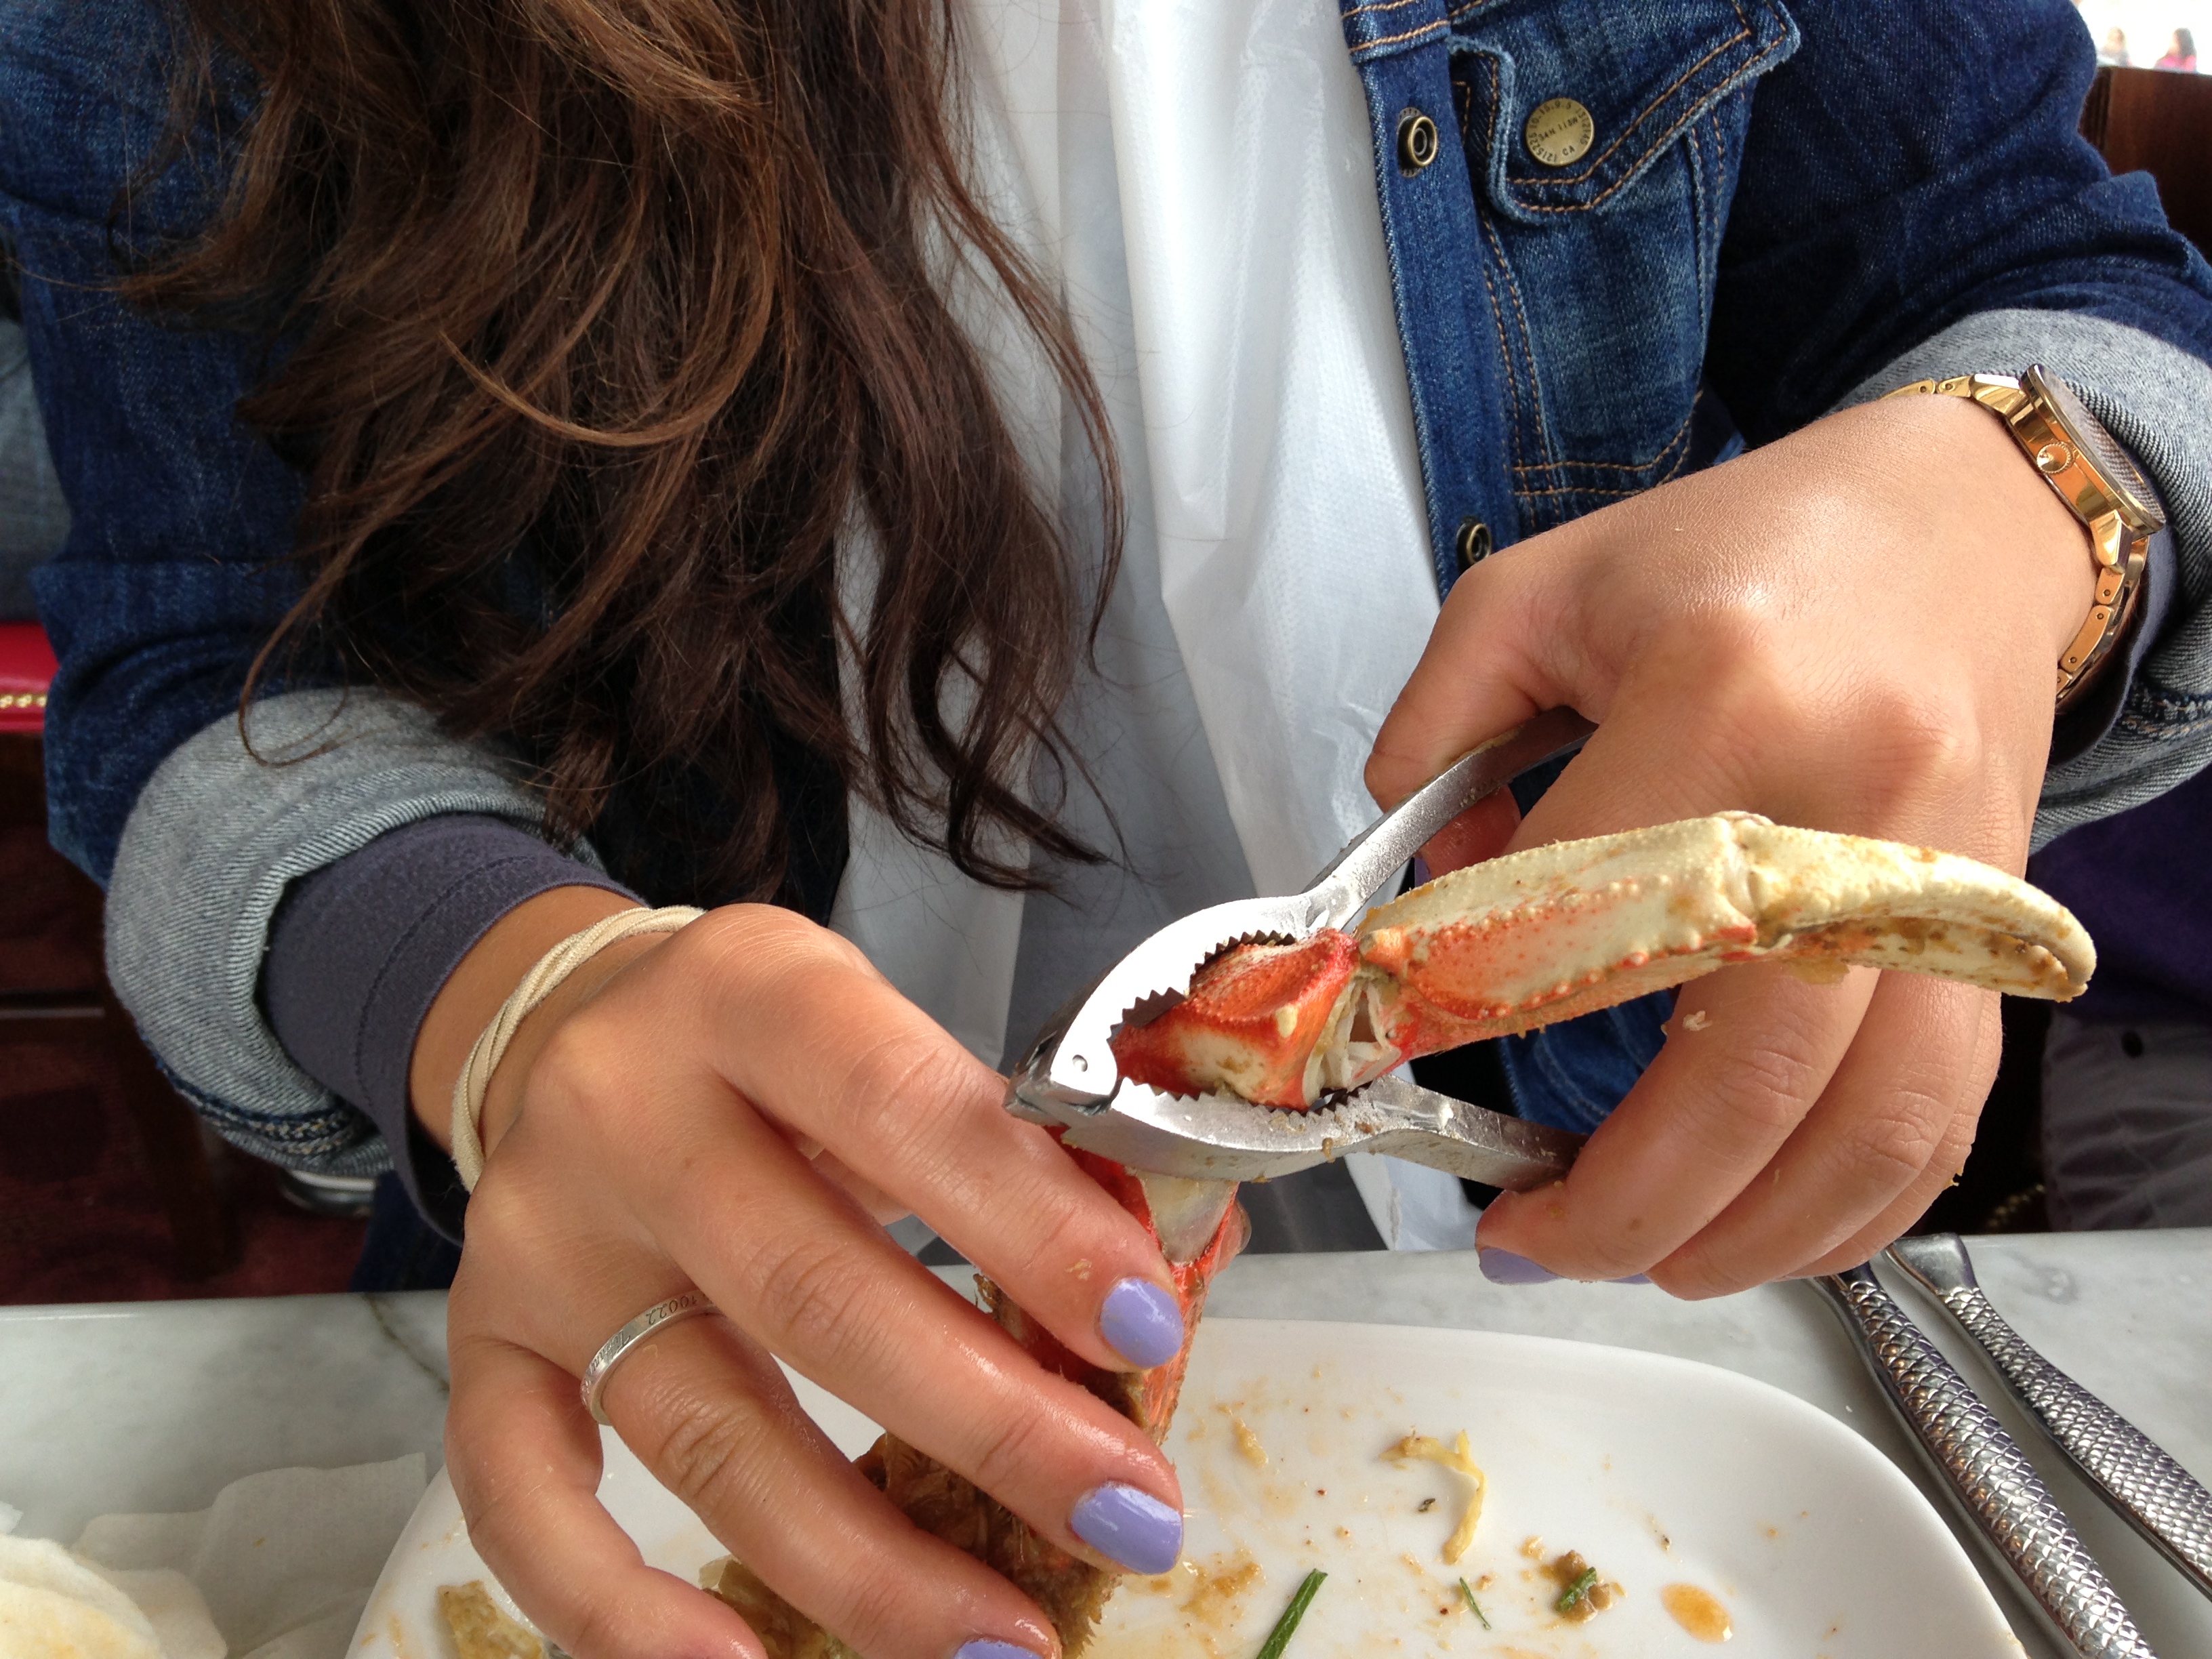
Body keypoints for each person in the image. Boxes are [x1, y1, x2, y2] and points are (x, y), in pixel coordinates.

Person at [6, 1, 2211, 1656]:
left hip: (1625, 1310)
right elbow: (213, 667)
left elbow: (2044, 274)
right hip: (652, 1329)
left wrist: (2028, 493)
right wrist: (504, 992)